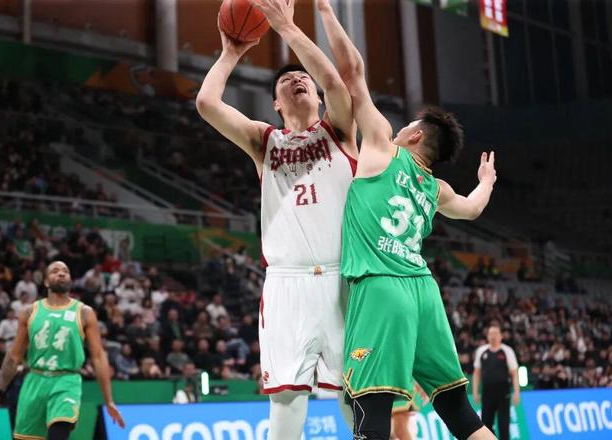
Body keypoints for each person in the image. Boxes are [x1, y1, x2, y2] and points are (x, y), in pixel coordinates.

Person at [316, 1, 498, 438]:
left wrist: (324, 10)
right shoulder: (437, 189)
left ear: (414, 135)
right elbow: (473, 208)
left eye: (406, 126)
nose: (397, 128)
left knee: (370, 413)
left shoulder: (383, 147)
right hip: (423, 291)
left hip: (381, 287)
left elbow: (352, 72)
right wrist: (487, 181)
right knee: (459, 411)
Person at [196, 0, 358, 437]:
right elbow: (207, 103)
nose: (297, 79)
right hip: (286, 282)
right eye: (286, 80)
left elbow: (334, 80)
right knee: (286, 400)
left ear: (318, 95)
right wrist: (231, 53)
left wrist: (286, 27)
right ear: (275, 103)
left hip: (344, 279)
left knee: (356, 395)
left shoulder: (341, 130)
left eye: (303, 77)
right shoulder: (263, 141)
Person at [0, 261, 125, 439]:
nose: (61, 273)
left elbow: (99, 357)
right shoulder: (29, 312)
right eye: (55, 271)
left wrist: (109, 400)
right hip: (35, 380)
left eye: (65, 271)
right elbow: (13, 357)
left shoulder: (84, 312)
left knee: (58, 433)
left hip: (66, 381)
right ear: (46, 281)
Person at [473, 325, 520, 440]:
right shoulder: (481, 351)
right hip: (487, 391)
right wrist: (475, 391)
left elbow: (514, 373)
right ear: (487, 336)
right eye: (490, 334)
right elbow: (477, 373)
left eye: (495, 333)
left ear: (500, 336)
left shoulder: (507, 351)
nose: (493, 336)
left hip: (503, 391)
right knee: (486, 423)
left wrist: (516, 392)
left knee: (504, 423)